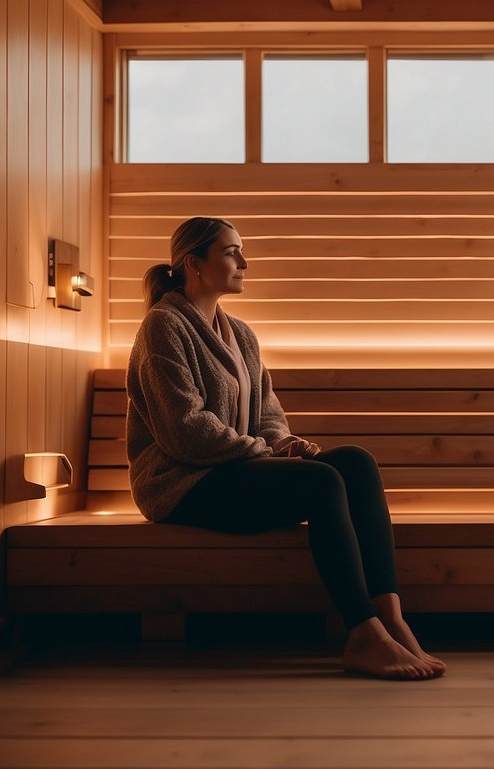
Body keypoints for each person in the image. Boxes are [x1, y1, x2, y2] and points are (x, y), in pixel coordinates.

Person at [126, 216, 445, 681]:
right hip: (182, 484)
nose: (244, 262)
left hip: (234, 471)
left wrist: (283, 443)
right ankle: (362, 634)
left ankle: (389, 616)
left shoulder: (241, 335)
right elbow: (184, 431)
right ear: (194, 263)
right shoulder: (163, 326)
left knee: (355, 462)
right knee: (321, 482)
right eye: (231, 252)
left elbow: (268, 415)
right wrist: (265, 452)